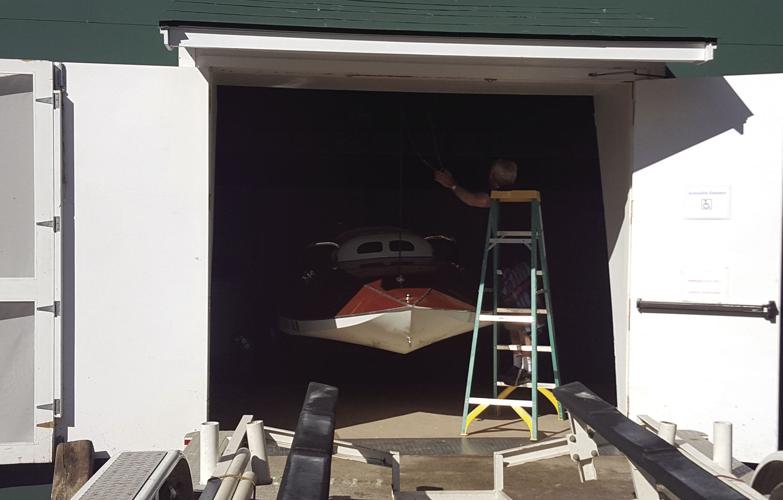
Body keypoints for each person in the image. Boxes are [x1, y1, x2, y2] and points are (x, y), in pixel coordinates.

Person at [434, 159, 533, 385]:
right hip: (515, 264)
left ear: (494, 177)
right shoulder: (522, 197)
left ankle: (527, 369)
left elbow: (472, 199)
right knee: (512, 319)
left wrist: (451, 185)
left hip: (516, 266)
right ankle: (518, 367)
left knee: (521, 319)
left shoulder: (501, 197)